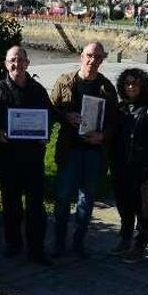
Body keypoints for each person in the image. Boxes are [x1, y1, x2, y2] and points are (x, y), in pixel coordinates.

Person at [0, 46, 54, 265]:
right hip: (7, 158)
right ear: (6, 64)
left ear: (27, 63)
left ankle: (36, 249)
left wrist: (46, 134)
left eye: (21, 60)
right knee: (11, 204)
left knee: (35, 207)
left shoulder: (38, 91)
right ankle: (13, 243)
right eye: (12, 60)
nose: (17, 64)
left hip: (33, 159)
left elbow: (49, 117)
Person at [49, 42, 118, 258]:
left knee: (86, 200)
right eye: (89, 56)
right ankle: (59, 243)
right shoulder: (65, 81)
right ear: (81, 56)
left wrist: (103, 136)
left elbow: (116, 121)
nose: (92, 60)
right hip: (69, 150)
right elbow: (51, 109)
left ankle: (78, 243)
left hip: (94, 152)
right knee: (62, 198)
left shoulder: (107, 88)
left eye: (98, 57)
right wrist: (65, 116)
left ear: (102, 59)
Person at [112, 69, 148, 263]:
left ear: (143, 86)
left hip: (142, 168)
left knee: (142, 209)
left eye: (136, 83)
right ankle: (124, 238)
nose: (131, 86)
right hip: (120, 166)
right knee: (124, 206)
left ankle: (140, 245)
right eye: (128, 83)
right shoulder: (119, 109)